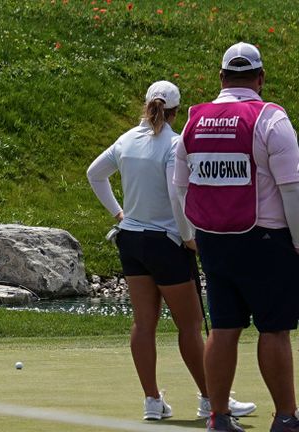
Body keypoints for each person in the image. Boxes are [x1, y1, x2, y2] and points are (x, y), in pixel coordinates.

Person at [87, 81, 256, 421]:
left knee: (143, 324)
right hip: (165, 242)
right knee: (190, 325)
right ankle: (210, 399)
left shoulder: (126, 140)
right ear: (176, 111)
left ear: (147, 104)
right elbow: (176, 195)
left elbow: (95, 174)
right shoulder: (174, 144)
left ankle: (152, 401)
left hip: (131, 240)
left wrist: (119, 214)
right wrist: (188, 237)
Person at [174, 42, 299, 432]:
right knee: (274, 328)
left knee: (225, 327)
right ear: (260, 79)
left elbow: (180, 185)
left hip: (213, 239)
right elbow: (293, 188)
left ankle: (219, 416)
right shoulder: (270, 119)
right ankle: (285, 417)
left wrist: (189, 233)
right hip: (266, 240)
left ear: (221, 77)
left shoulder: (195, 120)